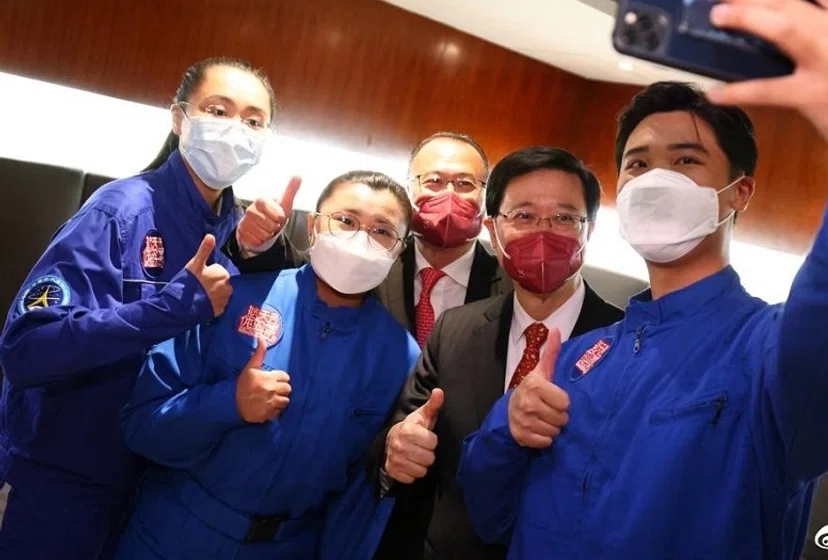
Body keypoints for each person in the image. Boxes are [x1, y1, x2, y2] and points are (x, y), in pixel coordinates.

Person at [457, 0, 828, 559]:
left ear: (739, 193)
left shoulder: (768, 352)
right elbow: (489, 511)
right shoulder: (578, 357)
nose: (655, 179)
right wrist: (510, 426)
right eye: (637, 163)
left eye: (686, 161)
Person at [0, 56, 278, 558]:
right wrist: (169, 307)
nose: (237, 129)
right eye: (218, 110)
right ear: (178, 118)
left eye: (254, 121)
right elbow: (26, 348)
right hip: (65, 479)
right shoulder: (119, 209)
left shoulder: (235, 233)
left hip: (157, 489)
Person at [114, 170, 421, 560]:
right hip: (173, 532)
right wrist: (229, 403)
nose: (361, 239)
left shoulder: (399, 355)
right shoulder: (232, 298)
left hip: (290, 545)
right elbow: (141, 426)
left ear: (399, 249)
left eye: (382, 231)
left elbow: (357, 493)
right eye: (346, 221)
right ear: (313, 227)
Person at [372, 147, 624, 560]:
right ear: (492, 229)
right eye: (523, 216)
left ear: (590, 230)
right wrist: (395, 450)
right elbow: (403, 435)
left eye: (564, 217)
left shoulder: (624, 341)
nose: (544, 232)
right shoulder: (455, 328)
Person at [230, 132, 511, 340]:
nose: (448, 194)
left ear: (485, 194)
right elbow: (297, 272)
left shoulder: (513, 285)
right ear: (409, 189)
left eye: (465, 183)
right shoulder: (374, 253)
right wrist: (259, 240)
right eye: (433, 181)